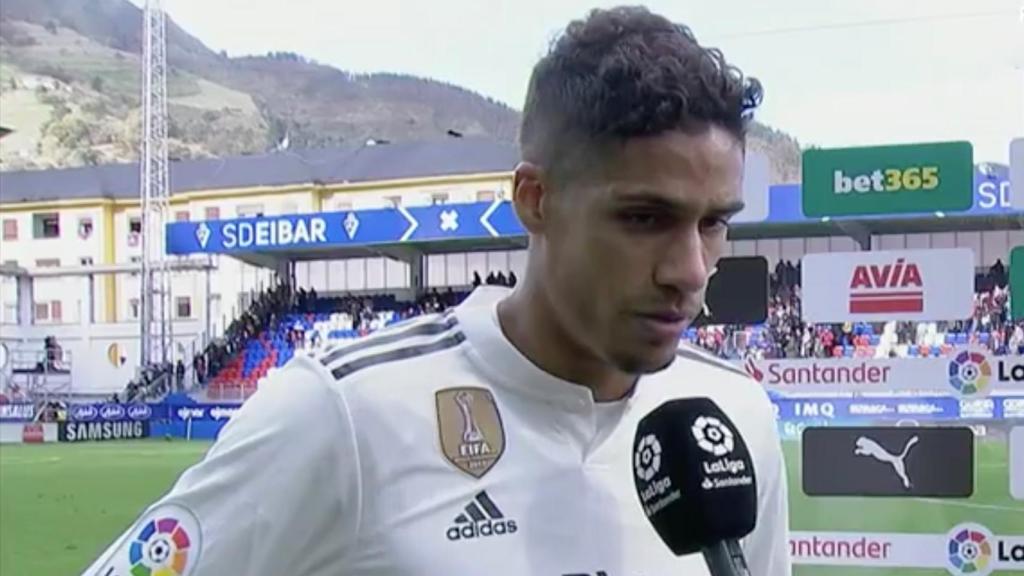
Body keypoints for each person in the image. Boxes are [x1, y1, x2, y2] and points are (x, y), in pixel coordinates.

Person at [81, 7, 789, 575]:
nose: (690, 269)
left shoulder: (734, 417)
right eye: (644, 218)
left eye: (714, 223)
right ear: (535, 200)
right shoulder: (343, 414)